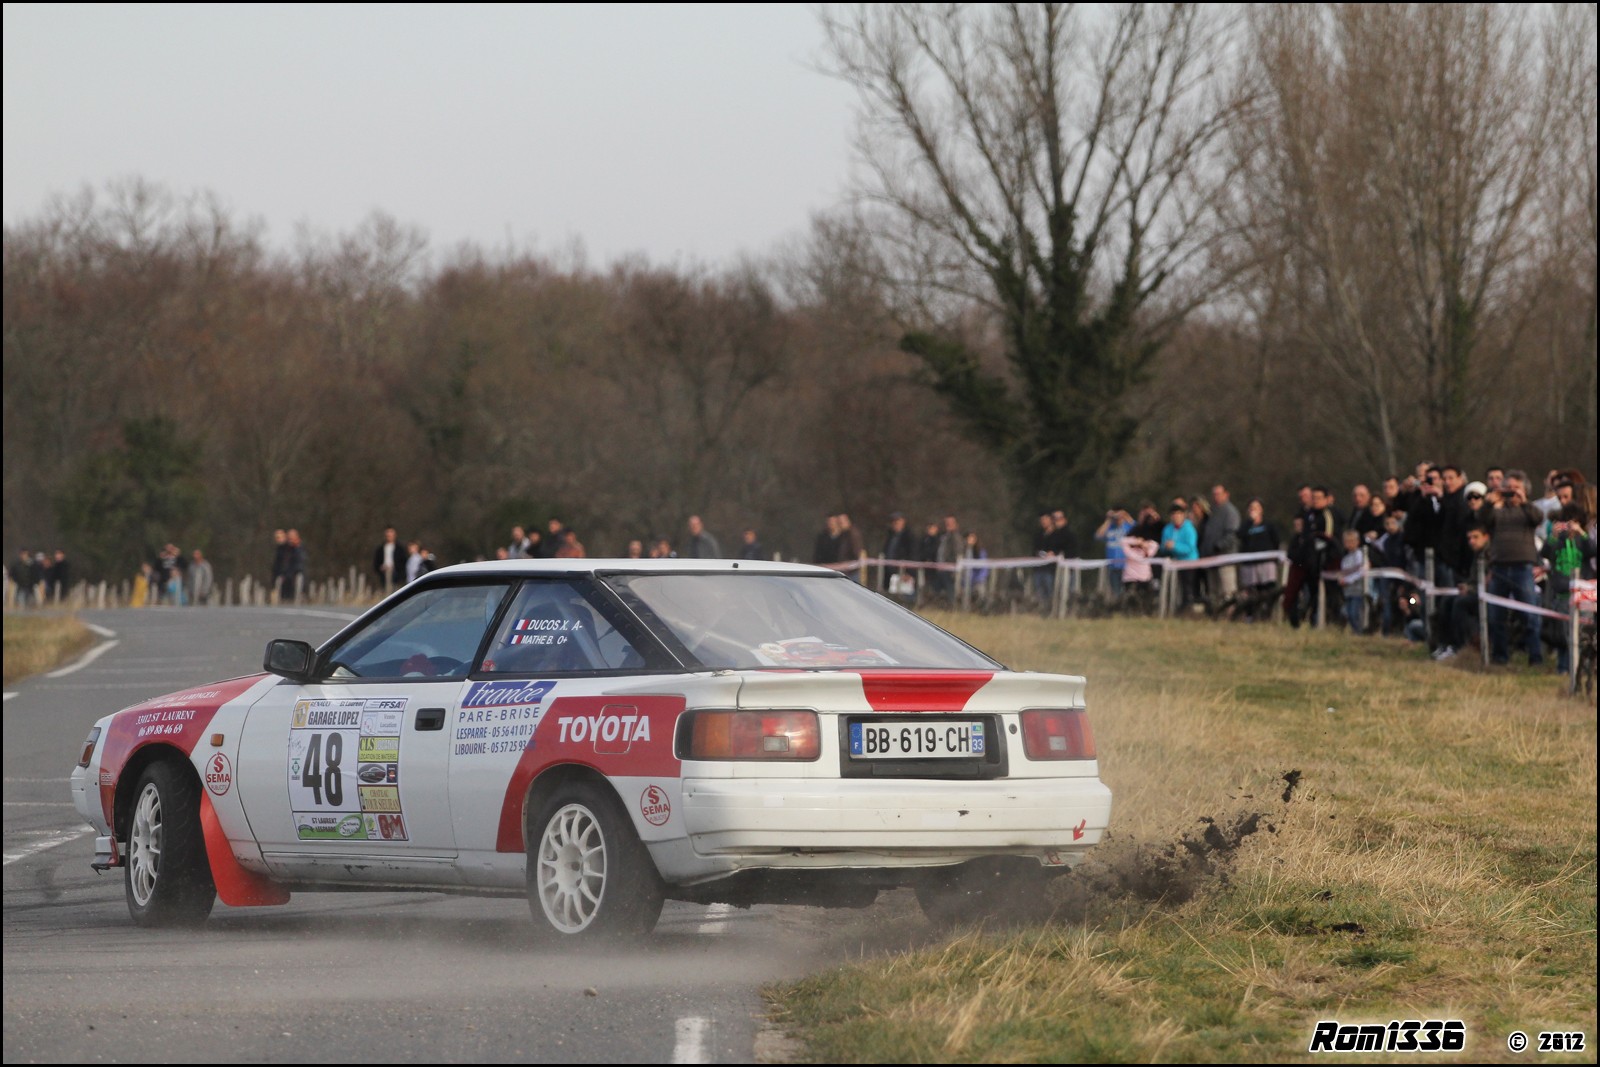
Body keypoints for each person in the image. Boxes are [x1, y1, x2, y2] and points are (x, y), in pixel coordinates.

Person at [1482, 475, 1544, 666]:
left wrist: (1523, 501)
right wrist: (1488, 504)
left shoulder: (1528, 510)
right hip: (1499, 567)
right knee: (1495, 616)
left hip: (1522, 568)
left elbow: (1538, 518)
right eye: (1507, 487)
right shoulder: (1497, 511)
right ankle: (1500, 656)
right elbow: (1483, 521)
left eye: (1515, 487)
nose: (1511, 491)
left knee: (1529, 615)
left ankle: (1535, 657)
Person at [1237, 498, 1280, 621]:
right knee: (1251, 592)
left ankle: (1267, 614)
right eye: (1251, 508)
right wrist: (1249, 522)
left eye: (1256, 507)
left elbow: (1275, 541)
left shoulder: (1268, 525)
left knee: (1267, 590)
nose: (1253, 510)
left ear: (1261, 510)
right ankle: (1250, 615)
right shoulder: (1246, 526)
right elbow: (1239, 535)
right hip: (1249, 565)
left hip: (1265, 564)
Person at [1200, 484, 1241, 600]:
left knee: (1227, 591)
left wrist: (1219, 545)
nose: (1215, 497)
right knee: (1213, 591)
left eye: (1218, 494)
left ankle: (1230, 614)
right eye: (1214, 494)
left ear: (1226, 494)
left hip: (1225, 557)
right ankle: (1216, 614)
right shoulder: (1211, 512)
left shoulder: (1231, 512)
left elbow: (1232, 534)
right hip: (1211, 558)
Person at [1160, 504, 1200, 608]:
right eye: (1173, 514)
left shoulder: (1189, 529)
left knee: (1187, 588)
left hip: (1189, 564)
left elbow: (1190, 548)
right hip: (1173, 564)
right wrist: (1166, 547)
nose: (1176, 516)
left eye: (1178, 514)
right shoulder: (1167, 529)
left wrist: (1174, 546)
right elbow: (1162, 546)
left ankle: (1187, 609)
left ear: (1183, 515)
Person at [1094, 508, 1134, 601]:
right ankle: (1118, 608)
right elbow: (1098, 535)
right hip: (1112, 565)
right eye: (1116, 517)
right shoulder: (1110, 527)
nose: (1118, 519)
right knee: (1116, 591)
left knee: (1128, 591)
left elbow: (1139, 529)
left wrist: (1126, 516)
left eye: (1119, 517)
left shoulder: (1128, 527)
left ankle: (1128, 608)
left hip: (1127, 565)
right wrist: (1108, 520)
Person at [1337, 529, 1367, 633]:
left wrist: (1348, 580)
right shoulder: (1345, 558)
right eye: (1346, 541)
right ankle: (1355, 632)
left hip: (1357, 590)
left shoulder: (1359, 555)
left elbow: (1360, 572)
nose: (1349, 544)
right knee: (1348, 613)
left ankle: (1359, 633)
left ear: (1357, 542)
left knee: (1354, 613)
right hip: (1347, 591)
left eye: (1351, 541)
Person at [880, 512, 915, 595]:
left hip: (902, 572)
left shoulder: (909, 536)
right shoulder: (890, 536)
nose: (895, 523)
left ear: (903, 521)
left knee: (903, 596)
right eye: (893, 521)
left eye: (897, 520)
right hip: (889, 572)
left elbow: (913, 554)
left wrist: (909, 572)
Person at [374, 526, 403, 594]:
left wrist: (395, 567)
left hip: (396, 575)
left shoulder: (400, 549)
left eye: (391, 535)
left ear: (395, 535)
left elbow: (403, 562)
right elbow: (376, 563)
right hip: (384, 575)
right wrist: (381, 568)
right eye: (388, 535)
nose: (389, 536)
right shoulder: (380, 549)